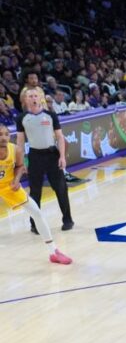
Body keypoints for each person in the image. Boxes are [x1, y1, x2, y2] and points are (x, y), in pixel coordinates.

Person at [0, 124, 72, 264]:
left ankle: (53, 252)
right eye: (0, 134)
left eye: (6, 134)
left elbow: (19, 166)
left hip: (8, 186)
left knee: (37, 213)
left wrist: (16, 180)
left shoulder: (16, 150)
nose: (3, 137)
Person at [15, 87, 74, 232]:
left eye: (36, 95)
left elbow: (60, 137)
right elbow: (20, 142)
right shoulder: (22, 118)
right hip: (35, 156)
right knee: (35, 192)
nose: (33, 98)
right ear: (25, 99)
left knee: (61, 188)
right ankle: (35, 225)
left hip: (52, 155)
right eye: (30, 96)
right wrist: (21, 162)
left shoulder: (50, 115)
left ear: (40, 97)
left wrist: (62, 156)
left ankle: (68, 220)